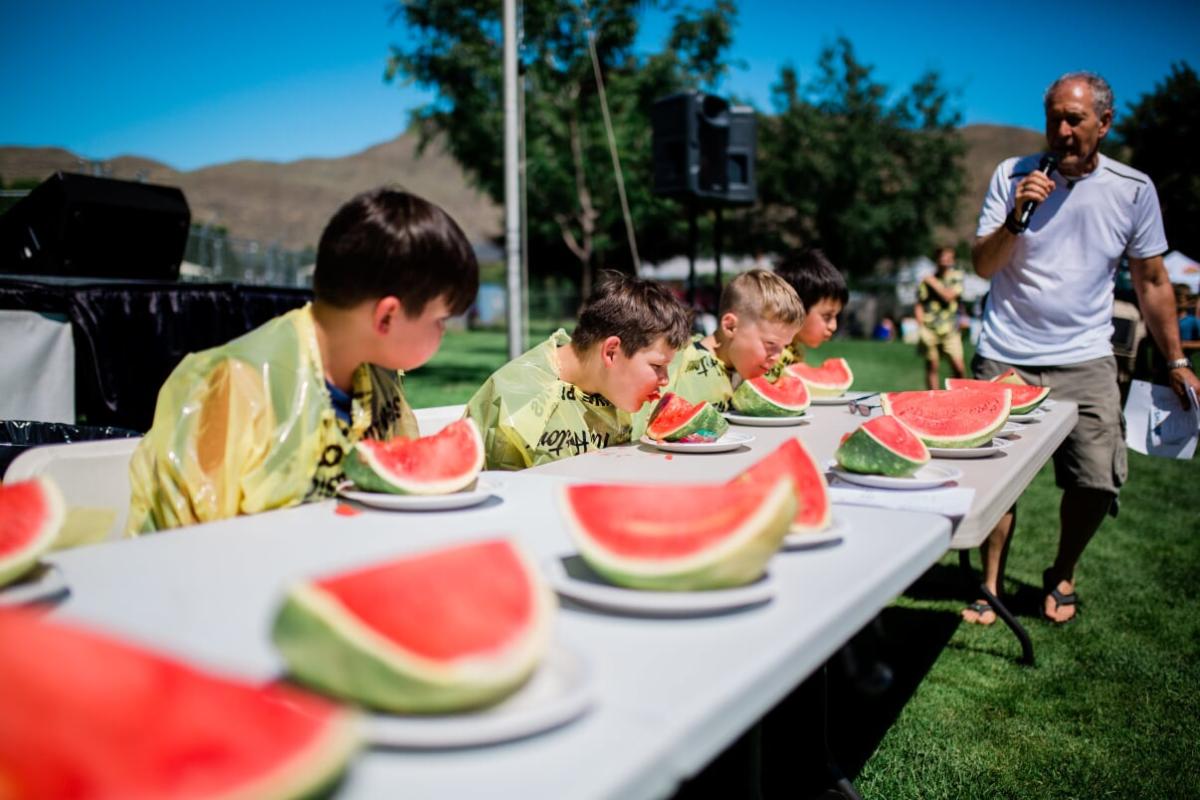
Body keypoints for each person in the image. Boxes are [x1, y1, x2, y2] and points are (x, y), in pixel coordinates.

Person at [963, 72, 1200, 625]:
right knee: (996, 477)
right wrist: (1015, 219)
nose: (1062, 131)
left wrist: (1177, 360)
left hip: (1086, 356)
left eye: (1075, 120)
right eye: (1054, 120)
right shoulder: (1012, 174)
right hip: (1006, 351)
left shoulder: (1132, 189)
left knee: (1097, 477)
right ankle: (990, 586)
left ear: (1104, 123)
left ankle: (1063, 571)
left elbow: (1153, 281)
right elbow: (984, 265)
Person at [128, 189, 479, 532]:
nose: (443, 332)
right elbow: (191, 542)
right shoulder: (234, 385)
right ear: (386, 317)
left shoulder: (378, 380)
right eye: (441, 320)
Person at [466, 270, 691, 470]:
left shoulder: (616, 387)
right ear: (611, 352)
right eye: (657, 366)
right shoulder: (514, 397)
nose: (665, 380)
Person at [633, 270, 803, 436]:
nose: (777, 356)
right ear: (730, 326)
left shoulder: (747, 369)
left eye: (784, 346)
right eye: (770, 344)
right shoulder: (681, 358)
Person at [772, 248, 849, 370]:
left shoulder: (795, 351)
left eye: (836, 316)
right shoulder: (768, 357)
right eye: (827, 316)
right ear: (795, 310)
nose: (833, 326)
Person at [915, 246, 967, 390]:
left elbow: (948, 296)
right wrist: (920, 326)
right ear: (937, 259)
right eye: (943, 257)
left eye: (949, 257)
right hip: (930, 328)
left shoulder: (956, 277)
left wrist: (932, 282)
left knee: (958, 367)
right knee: (932, 365)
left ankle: (961, 394)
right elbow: (919, 303)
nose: (945, 260)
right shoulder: (926, 281)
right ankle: (933, 396)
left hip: (950, 329)